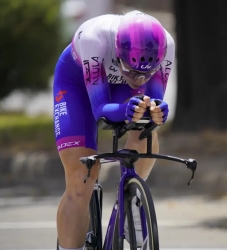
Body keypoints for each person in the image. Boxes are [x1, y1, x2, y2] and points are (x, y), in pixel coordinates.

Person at [53, 10, 175, 250]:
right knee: (80, 179)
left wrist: (157, 110)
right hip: (76, 83)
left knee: (144, 129)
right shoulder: (94, 38)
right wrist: (125, 109)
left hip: (119, 87)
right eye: (132, 71)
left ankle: (132, 200)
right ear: (119, 52)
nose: (139, 80)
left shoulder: (166, 43)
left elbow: (154, 100)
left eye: (145, 74)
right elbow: (100, 109)